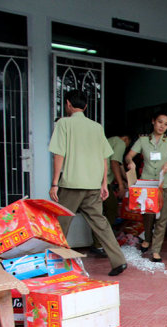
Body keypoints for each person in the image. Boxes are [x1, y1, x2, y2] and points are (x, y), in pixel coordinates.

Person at [48, 89, 127, 276]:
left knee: (61, 223)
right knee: (101, 223)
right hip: (93, 185)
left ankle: (55, 266)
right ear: (85, 106)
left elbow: (59, 154)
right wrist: (103, 184)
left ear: (67, 104)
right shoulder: (96, 127)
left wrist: (54, 183)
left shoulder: (63, 124)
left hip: (71, 184)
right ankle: (118, 260)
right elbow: (105, 157)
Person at [124, 112, 167, 262]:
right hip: (148, 184)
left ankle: (156, 250)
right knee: (148, 213)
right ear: (153, 121)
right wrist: (131, 162)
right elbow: (129, 155)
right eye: (160, 122)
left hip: (165, 183)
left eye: (166, 124)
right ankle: (147, 238)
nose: (162, 126)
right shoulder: (142, 140)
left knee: (162, 216)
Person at [89, 133, 131, 256]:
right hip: (101, 182)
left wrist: (125, 180)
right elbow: (114, 163)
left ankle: (98, 242)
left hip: (96, 180)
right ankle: (99, 243)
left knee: (98, 212)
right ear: (126, 138)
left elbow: (120, 166)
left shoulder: (111, 141)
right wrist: (121, 185)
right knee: (111, 209)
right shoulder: (120, 142)